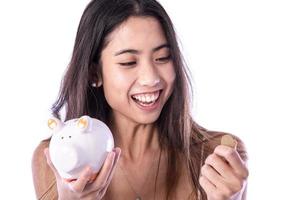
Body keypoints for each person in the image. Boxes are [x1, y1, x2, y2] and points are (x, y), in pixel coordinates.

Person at [32, 0, 248, 199]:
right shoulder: (57, 158)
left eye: (163, 58)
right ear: (94, 73)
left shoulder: (219, 154)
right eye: (128, 62)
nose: (151, 78)